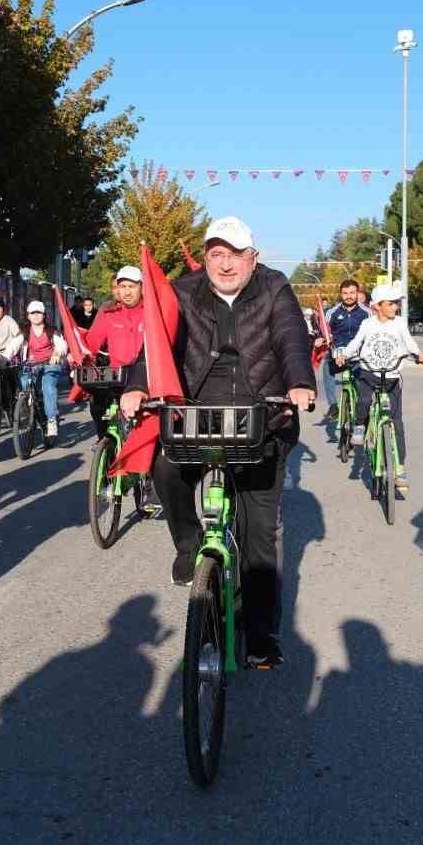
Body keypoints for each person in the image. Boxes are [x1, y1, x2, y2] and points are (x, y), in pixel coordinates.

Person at [120, 216, 315, 669]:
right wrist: (135, 384)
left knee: (258, 535)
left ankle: (261, 636)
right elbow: (158, 340)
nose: (224, 264)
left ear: (253, 257)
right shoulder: (184, 290)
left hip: (261, 411)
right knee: (166, 468)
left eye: (234, 254)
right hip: (198, 411)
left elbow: (290, 338)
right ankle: (190, 545)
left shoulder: (273, 287)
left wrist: (299, 384)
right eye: (215, 254)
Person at [340, 283, 423, 492]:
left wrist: (419, 354)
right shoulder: (368, 325)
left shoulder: (399, 323)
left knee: (396, 422)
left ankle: (399, 468)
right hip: (369, 373)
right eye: (391, 304)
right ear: (377, 306)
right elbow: (355, 343)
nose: (395, 307)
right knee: (363, 401)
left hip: (392, 377)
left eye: (396, 303)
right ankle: (360, 427)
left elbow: (409, 343)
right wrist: (345, 354)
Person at [82, 266, 146, 440]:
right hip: (117, 377)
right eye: (122, 286)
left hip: (145, 380)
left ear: (142, 287)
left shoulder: (151, 311)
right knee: (97, 406)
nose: (127, 291)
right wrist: (80, 355)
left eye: (132, 286)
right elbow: (92, 342)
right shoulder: (109, 314)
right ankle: (106, 444)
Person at [5, 299, 69, 442]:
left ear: (44, 315)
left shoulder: (51, 330)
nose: (36, 316)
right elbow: (14, 345)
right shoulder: (25, 331)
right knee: (24, 382)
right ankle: (29, 409)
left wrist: (57, 354)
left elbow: (62, 345)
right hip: (31, 365)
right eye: (33, 313)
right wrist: (5, 357)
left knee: (48, 387)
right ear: (28, 315)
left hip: (49, 364)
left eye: (39, 313)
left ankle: (51, 420)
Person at [320, 279, 369, 428]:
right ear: (341, 294)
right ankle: (333, 405)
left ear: (357, 293)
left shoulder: (367, 313)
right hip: (337, 354)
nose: (349, 296)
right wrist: (320, 339)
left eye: (352, 293)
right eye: (345, 293)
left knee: (363, 391)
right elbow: (324, 331)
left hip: (358, 357)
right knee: (327, 367)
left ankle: (362, 416)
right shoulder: (331, 312)